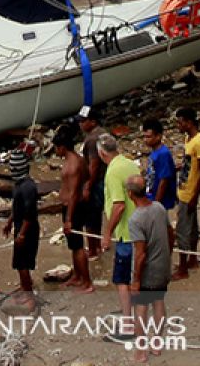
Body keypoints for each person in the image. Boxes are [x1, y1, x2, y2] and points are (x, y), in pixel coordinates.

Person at [126, 174, 175, 362]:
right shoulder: (159, 208)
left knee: (141, 308)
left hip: (147, 271)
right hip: (162, 265)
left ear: (130, 194)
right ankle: (156, 342)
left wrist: (136, 279)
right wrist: (168, 255)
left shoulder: (136, 219)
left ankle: (141, 349)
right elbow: (171, 234)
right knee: (159, 303)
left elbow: (140, 253)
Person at [99, 133, 140, 338]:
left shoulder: (113, 172)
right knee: (136, 276)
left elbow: (119, 205)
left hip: (126, 233)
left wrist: (107, 233)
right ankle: (134, 316)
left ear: (101, 153)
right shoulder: (131, 164)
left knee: (122, 279)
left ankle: (128, 323)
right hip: (139, 228)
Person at [53, 126, 93, 293]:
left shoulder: (73, 165)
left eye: (56, 148)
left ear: (62, 147)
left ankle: (87, 282)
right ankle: (77, 276)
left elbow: (74, 193)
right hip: (75, 206)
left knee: (77, 247)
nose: (55, 151)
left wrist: (69, 218)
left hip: (73, 208)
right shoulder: (79, 159)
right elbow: (87, 179)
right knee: (73, 245)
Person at [173, 107, 200, 279]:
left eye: (180, 122)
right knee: (192, 227)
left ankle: (183, 268)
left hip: (189, 193)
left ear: (189, 122)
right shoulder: (189, 139)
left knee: (182, 230)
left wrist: (195, 195)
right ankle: (192, 259)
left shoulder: (199, 142)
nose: (178, 126)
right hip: (184, 189)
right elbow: (190, 162)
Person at [2, 148, 39, 309]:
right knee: (19, 262)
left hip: (27, 230)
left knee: (22, 263)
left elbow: (30, 214)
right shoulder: (18, 185)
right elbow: (17, 208)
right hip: (19, 227)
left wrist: (22, 234)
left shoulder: (28, 187)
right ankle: (26, 286)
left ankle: (29, 295)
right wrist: (9, 222)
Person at [78, 106, 108, 260]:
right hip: (105, 179)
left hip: (96, 182)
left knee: (91, 216)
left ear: (93, 121)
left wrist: (87, 185)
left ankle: (93, 249)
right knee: (97, 214)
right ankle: (98, 245)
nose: (80, 124)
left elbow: (93, 164)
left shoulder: (91, 139)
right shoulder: (103, 133)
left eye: (83, 121)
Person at [141, 119, 177, 211]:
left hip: (161, 200)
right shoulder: (154, 151)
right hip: (152, 195)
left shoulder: (163, 154)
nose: (145, 140)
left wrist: (157, 204)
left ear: (158, 136)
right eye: (144, 137)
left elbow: (164, 180)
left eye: (149, 137)